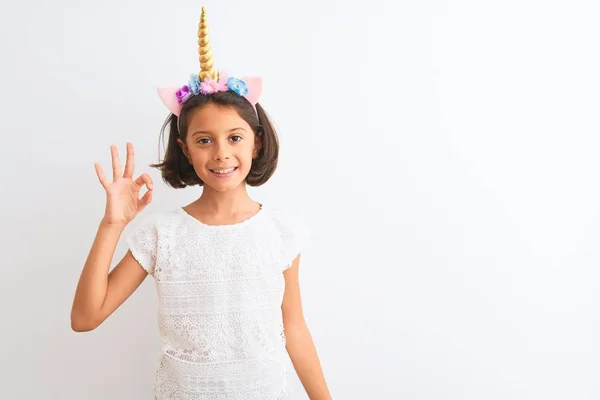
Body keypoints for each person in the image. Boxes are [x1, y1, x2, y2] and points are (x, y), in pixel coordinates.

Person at [70, 7, 332, 400]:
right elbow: (85, 318)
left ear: (256, 142)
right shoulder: (162, 234)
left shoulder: (281, 232)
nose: (221, 153)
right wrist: (111, 225)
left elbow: (293, 327)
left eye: (235, 137)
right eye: (205, 140)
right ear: (186, 150)